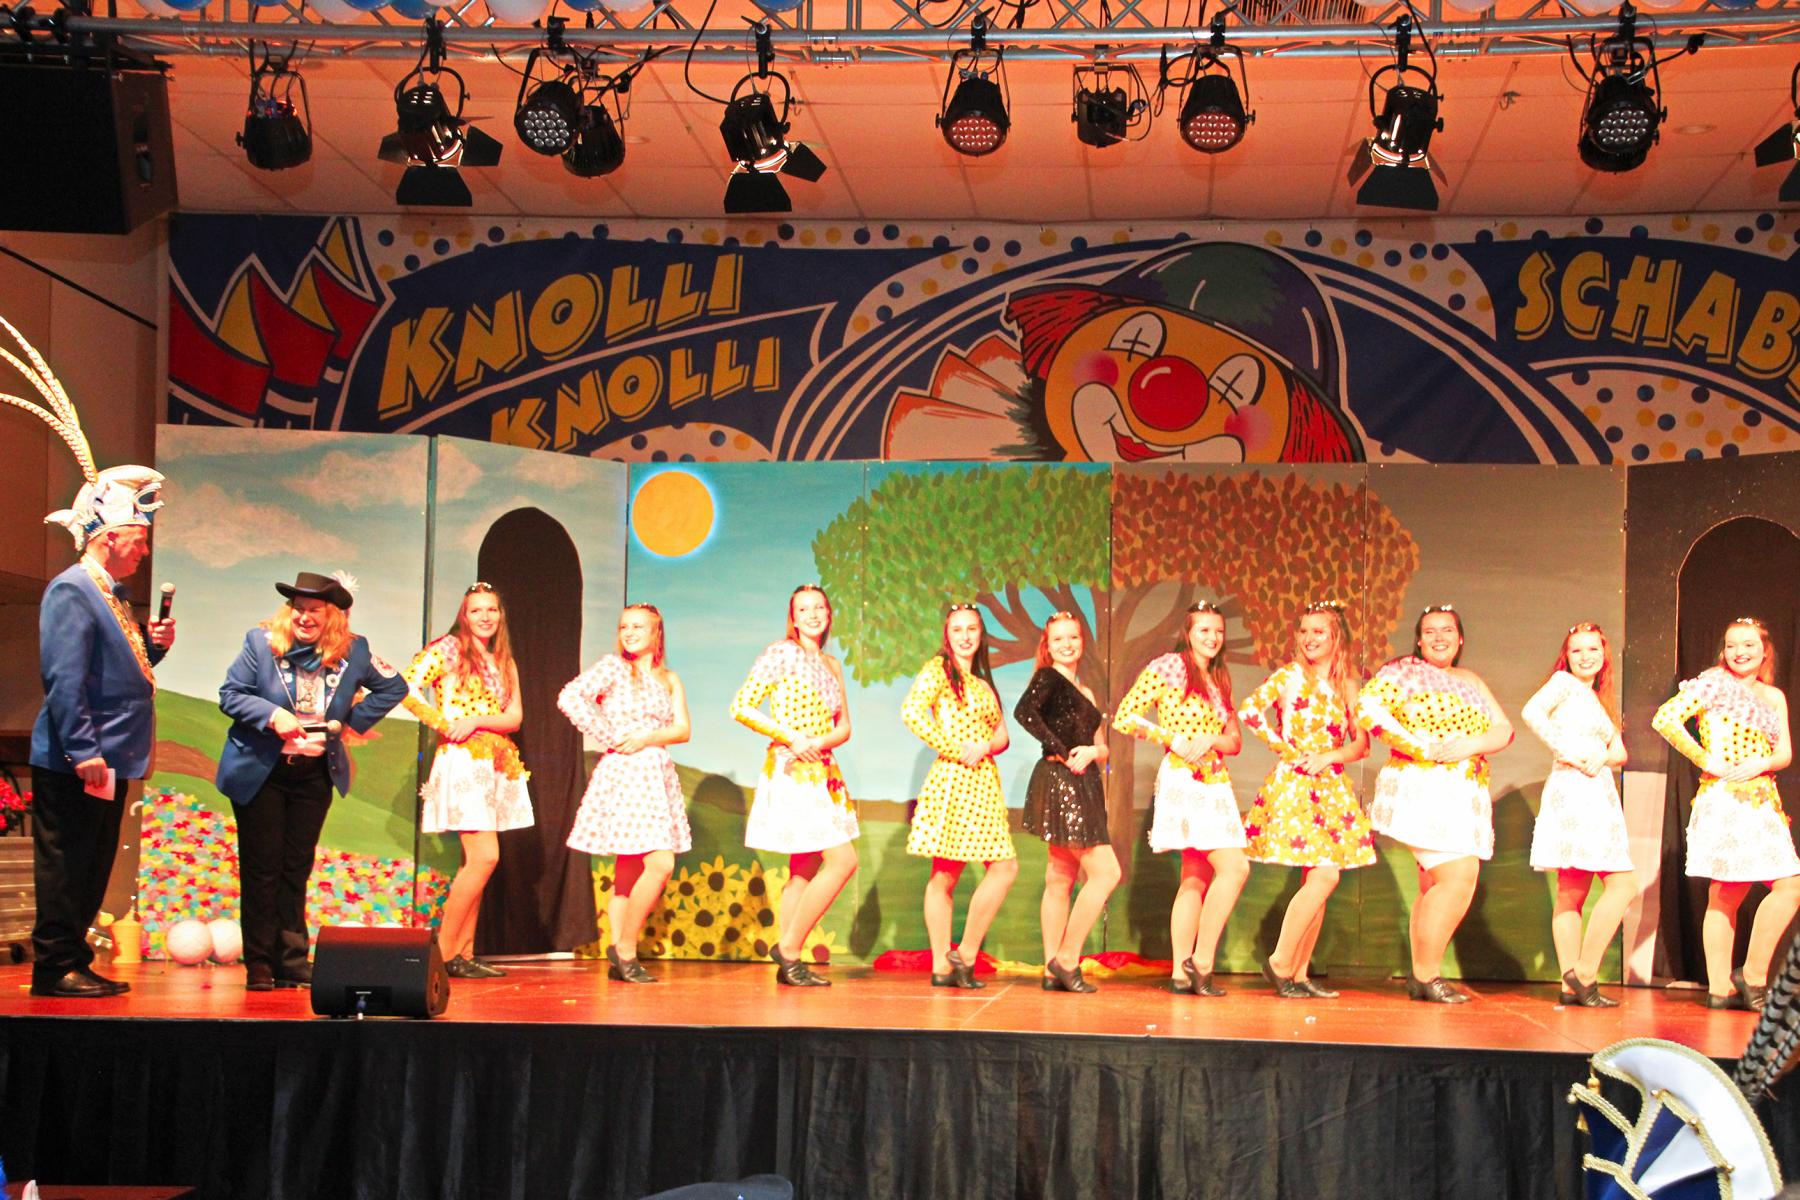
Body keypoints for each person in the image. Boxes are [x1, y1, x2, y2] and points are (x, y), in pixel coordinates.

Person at [9, 312, 174, 999]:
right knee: (68, 861)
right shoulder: (74, 589)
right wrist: (84, 751)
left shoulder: (110, 595)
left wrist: (152, 652)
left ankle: (72, 956)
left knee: (91, 862)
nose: (144, 548)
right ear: (109, 537)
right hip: (83, 756)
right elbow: (66, 677)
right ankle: (54, 966)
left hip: (108, 754)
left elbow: (116, 673)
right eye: (138, 537)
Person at [215, 572, 408, 991]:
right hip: (263, 772)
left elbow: (394, 687)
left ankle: (291, 960)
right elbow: (231, 694)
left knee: (295, 867)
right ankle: (260, 963)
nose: (304, 617)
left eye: (314, 610)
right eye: (298, 609)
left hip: (313, 775)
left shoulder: (354, 650)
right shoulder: (261, 643)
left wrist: (349, 723)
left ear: (331, 616)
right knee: (263, 868)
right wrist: (272, 716)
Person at [1356, 605, 1513, 1004]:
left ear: (1460, 639)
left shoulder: (1470, 679)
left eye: (1447, 630)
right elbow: (1368, 709)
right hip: (1423, 787)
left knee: (1432, 885)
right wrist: (1423, 748)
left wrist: (1470, 744)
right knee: (1458, 877)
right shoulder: (1404, 671)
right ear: (1419, 639)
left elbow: (1503, 729)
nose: (1439, 637)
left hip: (1463, 792)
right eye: (1430, 631)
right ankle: (1428, 974)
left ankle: (1421, 975)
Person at [1653, 617, 1797, 1011]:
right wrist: (1706, 759)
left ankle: (1752, 974)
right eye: (1732, 645)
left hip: (1762, 799)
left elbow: (1784, 752)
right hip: (1723, 799)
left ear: (1764, 650)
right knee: (1726, 891)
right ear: (1723, 650)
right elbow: (1665, 719)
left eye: (1748, 645)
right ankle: (1720, 987)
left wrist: (1762, 762)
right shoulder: (1713, 685)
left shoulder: (1773, 696)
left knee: (1789, 887)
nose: (1740, 652)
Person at [1237, 601, 1374, 1000]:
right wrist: (1287, 750)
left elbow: (1361, 745)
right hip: (1297, 784)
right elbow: (1249, 711)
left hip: (1329, 785)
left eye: (1319, 631)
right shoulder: (1289, 676)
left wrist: (1329, 756)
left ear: (1336, 638)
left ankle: (1298, 972)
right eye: (1304, 631)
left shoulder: (1348, 685)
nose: (1309, 638)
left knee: (1319, 880)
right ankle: (1280, 962)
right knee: (1325, 876)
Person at [1114, 601, 1246, 997]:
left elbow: (1234, 741)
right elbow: (1125, 716)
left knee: (1195, 876)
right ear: (1188, 633)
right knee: (1235, 868)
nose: (1212, 637)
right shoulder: (1170, 666)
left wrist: (1210, 738)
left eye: (1218, 631)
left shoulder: (1218, 677)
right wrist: (1173, 738)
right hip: (1186, 780)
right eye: (1204, 630)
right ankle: (1200, 963)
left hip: (1216, 781)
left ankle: (1179, 973)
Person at [404, 582, 534, 981]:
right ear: (464, 615)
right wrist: (444, 724)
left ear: (500, 615)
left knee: (475, 861)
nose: (484, 617)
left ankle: (464, 952)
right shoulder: (448, 649)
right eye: (476, 610)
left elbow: (514, 718)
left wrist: (477, 720)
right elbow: (404, 688)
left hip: (495, 761)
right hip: (464, 761)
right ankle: (442, 956)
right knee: (484, 857)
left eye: (491, 609)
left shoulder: (504, 661)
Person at [729, 585, 857, 987]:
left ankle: (791, 960)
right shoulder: (781, 652)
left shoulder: (832, 664)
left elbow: (844, 726)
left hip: (824, 769)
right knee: (843, 861)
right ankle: (788, 949)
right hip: (792, 769)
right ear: (793, 617)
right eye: (804, 609)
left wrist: (818, 741)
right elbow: (741, 706)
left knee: (804, 868)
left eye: (819, 607)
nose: (812, 614)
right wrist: (793, 738)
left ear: (829, 614)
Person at [560, 603, 692, 984]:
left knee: (631, 869)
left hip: (655, 772)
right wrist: (611, 735)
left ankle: (621, 953)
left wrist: (647, 738)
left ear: (656, 633)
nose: (630, 633)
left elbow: (683, 730)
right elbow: (570, 697)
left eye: (638, 626)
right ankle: (626, 949)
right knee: (659, 863)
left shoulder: (669, 678)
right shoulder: (614, 668)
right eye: (624, 627)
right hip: (625, 773)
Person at [901, 604, 1016, 990]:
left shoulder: (982, 684)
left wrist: (982, 746)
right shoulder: (939, 670)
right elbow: (912, 712)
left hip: (983, 782)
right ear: (947, 636)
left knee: (1004, 868)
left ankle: (964, 954)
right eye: (957, 630)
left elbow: (1002, 735)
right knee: (945, 875)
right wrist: (953, 747)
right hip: (953, 780)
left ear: (981, 635)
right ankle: (942, 965)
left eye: (972, 629)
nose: (965, 636)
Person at [1521, 622, 1636, 1008]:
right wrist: (1565, 749)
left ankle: (1573, 986)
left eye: (1593, 650)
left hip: (1597, 792)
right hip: (1574, 791)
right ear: (1566, 656)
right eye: (1577, 650)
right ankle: (1583, 974)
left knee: (1574, 891)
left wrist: (1601, 754)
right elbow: (1531, 711)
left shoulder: (1597, 697)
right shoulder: (1564, 684)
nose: (1586, 657)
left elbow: (1619, 752)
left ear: (1604, 655)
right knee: (1617, 885)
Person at [1014, 611, 1118, 993]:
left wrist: (1091, 752)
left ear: (1082, 641)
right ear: (1048, 645)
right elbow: (1024, 712)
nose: (1066, 644)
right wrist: (1060, 749)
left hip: (1085, 780)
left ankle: (1050, 970)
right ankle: (1067, 959)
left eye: (1072, 637)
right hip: (1061, 780)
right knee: (1106, 873)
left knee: (1060, 875)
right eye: (1058, 639)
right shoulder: (1047, 678)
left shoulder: (1086, 691)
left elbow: (1102, 747)